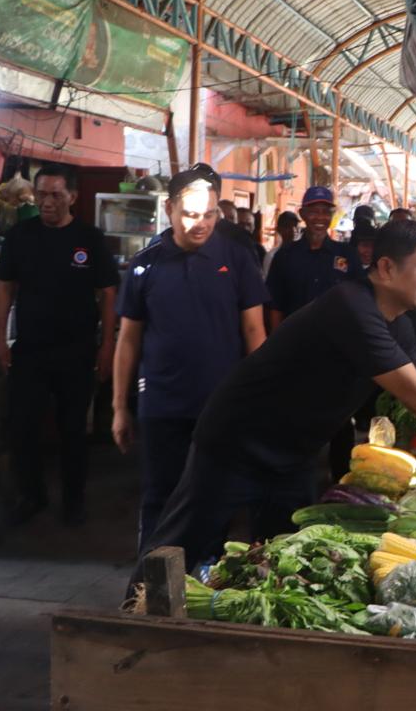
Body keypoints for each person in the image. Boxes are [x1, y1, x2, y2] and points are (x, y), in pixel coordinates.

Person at [128, 220, 416, 587]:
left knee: (283, 558)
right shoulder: (351, 307)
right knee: (181, 544)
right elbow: (414, 392)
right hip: (235, 440)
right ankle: (125, 628)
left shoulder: (399, 324)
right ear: (386, 269)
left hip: (293, 454)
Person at [112, 165, 269, 552]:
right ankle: (150, 582)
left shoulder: (236, 258)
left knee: (213, 495)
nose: (202, 224)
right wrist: (119, 407)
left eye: (210, 214)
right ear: (169, 209)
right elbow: (128, 339)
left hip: (220, 402)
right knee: (160, 494)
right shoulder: (145, 264)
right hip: (162, 402)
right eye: (191, 214)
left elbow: (254, 332)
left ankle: (204, 574)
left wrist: (262, 396)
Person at [0, 163, 118, 527]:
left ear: (73, 197)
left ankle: (73, 502)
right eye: (42, 194)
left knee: (73, 431)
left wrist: (107, 345)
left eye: (56, 195)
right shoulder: (20, 236)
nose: (47, 203)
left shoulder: (90, 238)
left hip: (77, 350)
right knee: (23, 428)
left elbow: (108, 294)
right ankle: (31, 496)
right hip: (30, 349)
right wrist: (1, 340)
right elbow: (4, 288)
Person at [264, 186, 361, 329]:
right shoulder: (285, 256)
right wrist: (277, 346)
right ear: (302, 214)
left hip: (336, 345)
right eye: (314, 212)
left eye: (326, 212)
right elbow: (275, 307)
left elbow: (359, 302)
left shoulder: (348, 255)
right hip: (294, 343)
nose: (320, 217)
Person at [262, 210, 298, 277]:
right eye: (288, 226)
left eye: (295, 226)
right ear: (279, 229)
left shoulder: (302, 254)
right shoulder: (271, 256)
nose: (293, 230)